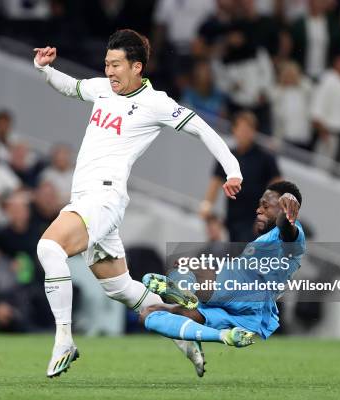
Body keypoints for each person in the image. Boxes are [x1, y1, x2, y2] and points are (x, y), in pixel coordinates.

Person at [33, 29, 242, 378]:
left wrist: (232, 170)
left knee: (49, 249)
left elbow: (203, 129)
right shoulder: (102, 89)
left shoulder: (156, 103)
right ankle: (183, 333)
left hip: (104, 197)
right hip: (87, 199)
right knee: (120, 287)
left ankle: (64, 340)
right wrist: (44, 70)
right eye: (106, 64)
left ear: (137, 67)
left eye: (115, 65)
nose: (109, 71)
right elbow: (71, 87)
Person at [140, 181, 305, 352]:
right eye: (259, 206)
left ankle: (188, 289)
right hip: (246, 316)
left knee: (189, 268)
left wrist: (288, 209)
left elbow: (287, 227)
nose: (258, 210)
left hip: (244, 293)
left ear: (285, 209)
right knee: (150, 315)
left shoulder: (291, 236)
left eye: (265, 206)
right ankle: (223, 335)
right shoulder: (263, 240)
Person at [201, 111, 280, 242]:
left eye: (249, 129)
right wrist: (207, 206)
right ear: (234, 129)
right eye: (242, 128)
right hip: (232, 217)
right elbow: (214, 185)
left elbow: (278, 187)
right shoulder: (227, 156)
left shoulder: (265, 158)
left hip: (255, 219)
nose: (245, 133)